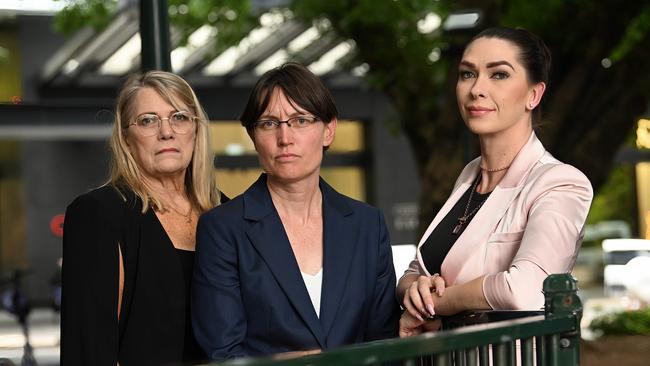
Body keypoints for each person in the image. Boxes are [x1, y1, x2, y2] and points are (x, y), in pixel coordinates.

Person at [192, 62, 400, 361]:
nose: (285, 138)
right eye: (268, 123)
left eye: (300, 120)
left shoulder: (367, 225)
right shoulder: (223, 228)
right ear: (253, 137)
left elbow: (384, 343)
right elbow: (222, 352)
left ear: (328, 130)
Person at [397, 27, 593, 337]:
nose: (477, 89)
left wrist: (440, 302)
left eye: (499, 75)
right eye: (467, 74)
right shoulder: (469, 176)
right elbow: (417, 271)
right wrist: (413, 291)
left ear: (533, 94)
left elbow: (527, 289)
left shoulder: (560, 182)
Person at [61, 70, 225, 365]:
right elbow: (89, 349)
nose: (167, 131)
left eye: (180, 117)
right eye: (148, 120)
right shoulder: (100, 213)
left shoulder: (228, 213)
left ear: (196, 129)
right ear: (126, 137)